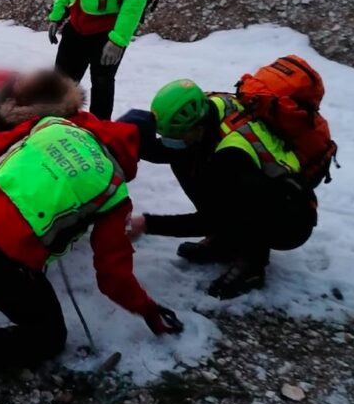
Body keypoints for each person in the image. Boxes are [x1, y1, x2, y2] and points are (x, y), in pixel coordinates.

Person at [0, 112, 183, 404]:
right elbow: (113, 275)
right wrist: (148, 310)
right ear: (138, 154)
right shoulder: (113, 189)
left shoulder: (53, 123)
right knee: (48, 335)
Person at [120, 79, 318, 300]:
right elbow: (171, 150)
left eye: (176, 137)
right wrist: (123, 138)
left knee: (237, 207)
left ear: (198, 128)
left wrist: (148, 224)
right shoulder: (210, 108)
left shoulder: (232, 156)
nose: (170, 142)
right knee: (184, 159)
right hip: (256, 187)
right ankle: (226, 241)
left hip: (290, 218)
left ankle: (252, 266)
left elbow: (213, 219)